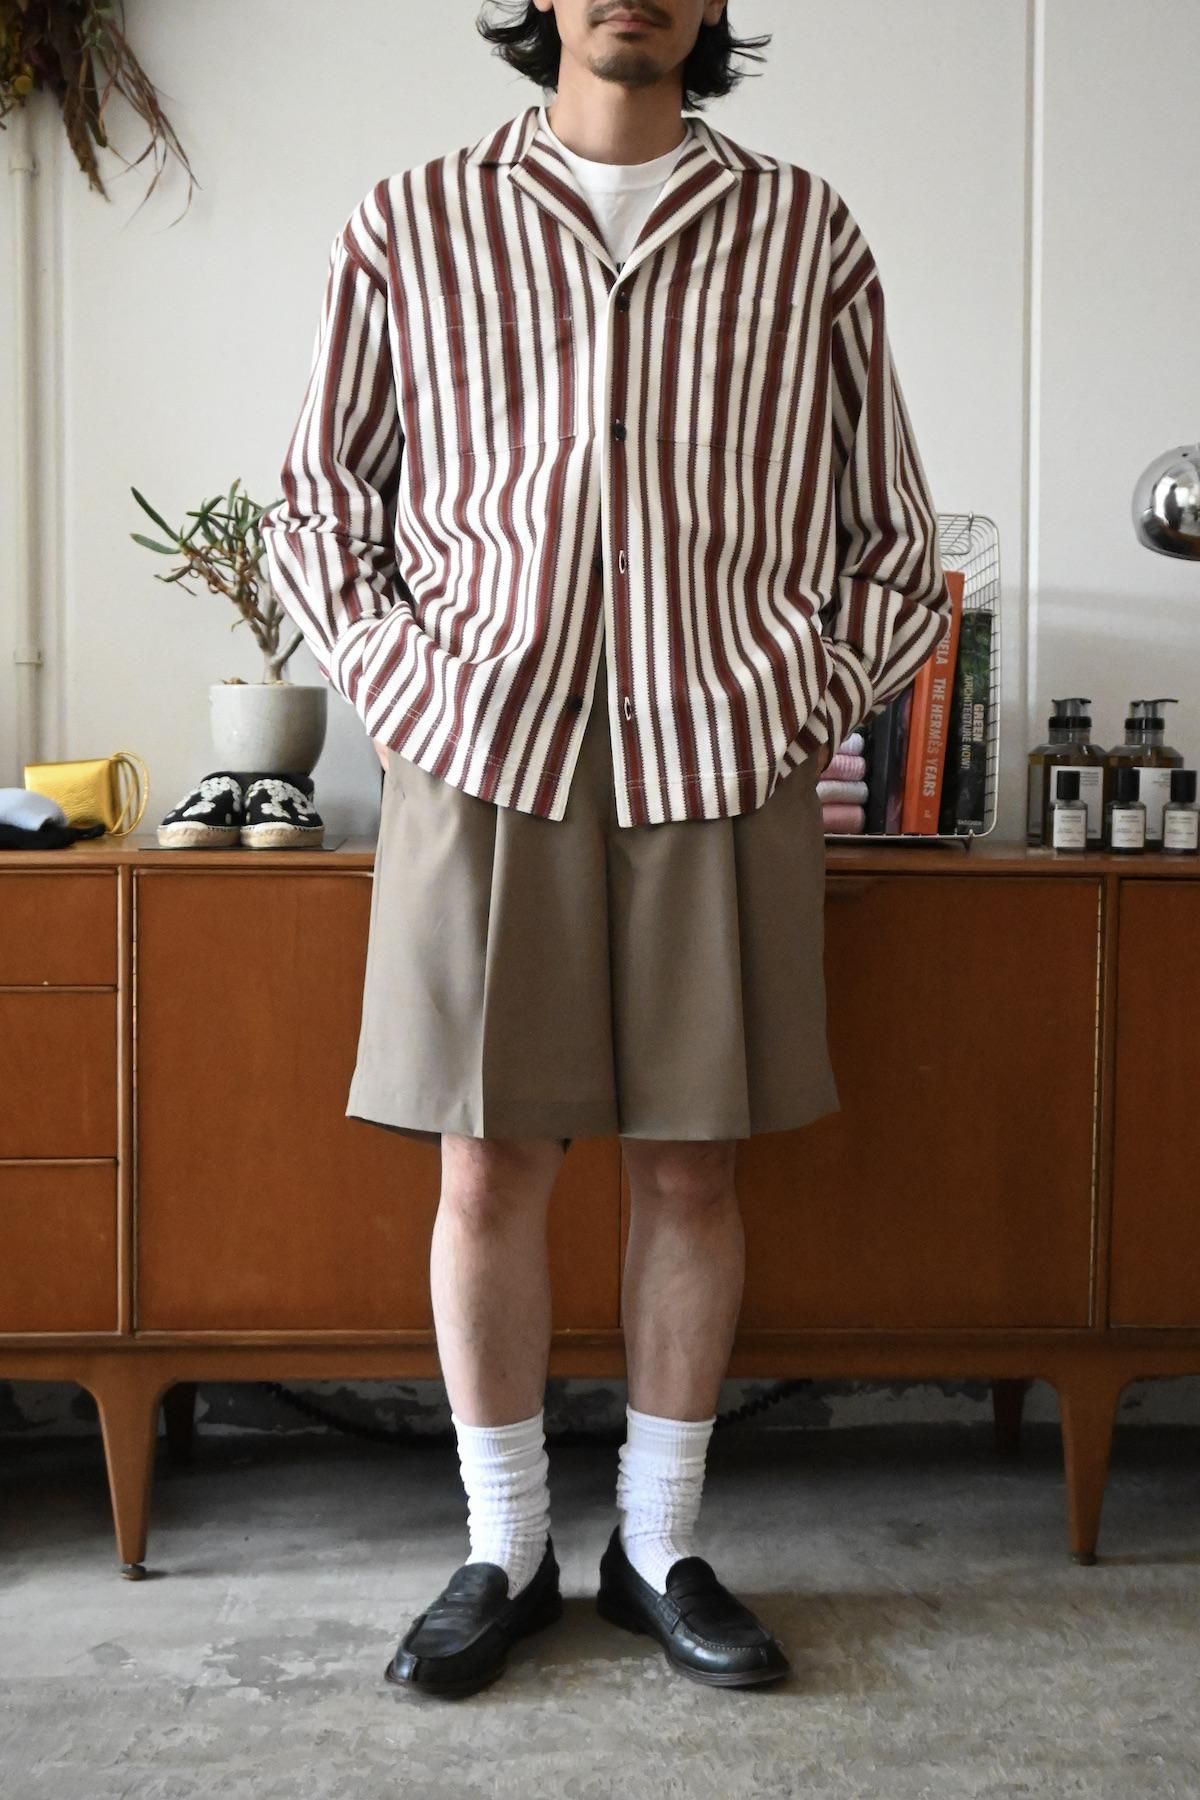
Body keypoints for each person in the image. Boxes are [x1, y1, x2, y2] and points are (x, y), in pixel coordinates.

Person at [259, 0, 951, 1700]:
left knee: (693, 1167)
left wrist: (798, 700)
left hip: (716, 752)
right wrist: (412, 690)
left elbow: (893, 536)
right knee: (486, 1167)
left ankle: (657, 1547)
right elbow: (318, 503)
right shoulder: (414, 220)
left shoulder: (803, 231)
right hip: (482, 749)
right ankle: (504, 1547)